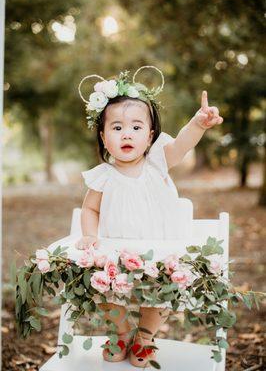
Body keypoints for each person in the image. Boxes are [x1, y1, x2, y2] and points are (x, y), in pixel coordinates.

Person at [75, 66, 223, 367]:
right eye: (116, 128)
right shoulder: (104, 176)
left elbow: (182, 144)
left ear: (150, 135)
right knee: (103, 292)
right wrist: (90, 236)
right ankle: (121, 331)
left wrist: (198, 123)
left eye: (136, 127)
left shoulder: (158, 161)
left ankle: (144, 336)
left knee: (155, 296)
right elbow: (90, 208)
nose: (126, 133)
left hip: (158, 251)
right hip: (116, 252)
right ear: (104, 138)